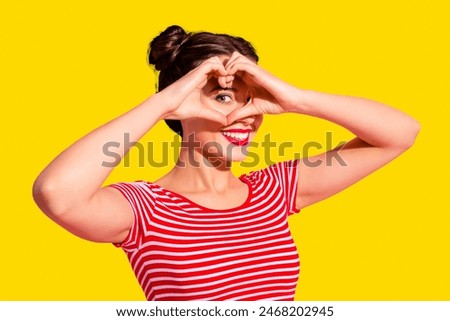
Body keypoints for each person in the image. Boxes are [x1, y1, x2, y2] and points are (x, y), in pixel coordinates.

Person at [32, 25, 420, 301]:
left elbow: (400, 133)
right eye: (222, 97)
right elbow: (57, 193)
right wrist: (161, 103)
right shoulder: (143, 209)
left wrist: (296, 99)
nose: (247, 114)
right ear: (180, 105)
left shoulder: (274, 191)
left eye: (253, 97)